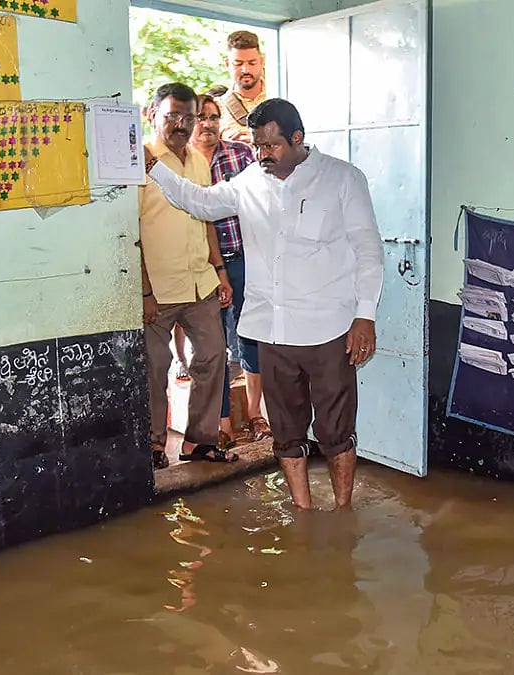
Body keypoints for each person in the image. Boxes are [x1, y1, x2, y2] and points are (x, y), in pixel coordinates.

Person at [146, 98, 383, 510]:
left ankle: (343, 510)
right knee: (287, 431)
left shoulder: (342, 179)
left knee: (335, 429)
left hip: (329, 328)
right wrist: (154, 169)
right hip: (272, 331)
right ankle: (304, 512)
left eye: (271, 146)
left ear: (297, 139)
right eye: (257, 145)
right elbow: (200, 202)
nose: (262, 155)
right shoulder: (250, 180)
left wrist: (365, 317)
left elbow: (368, 250)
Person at [138, 82, 238, 469]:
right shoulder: (141, 161)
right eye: (172, 116)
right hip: (158, 288)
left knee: (213, 357)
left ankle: (199, 441)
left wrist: (220, 270)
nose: (181, 124)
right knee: (155, 366)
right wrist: (144, 291)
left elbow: (207, 216)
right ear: (152, 114)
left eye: (188, 117)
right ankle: (153, 444)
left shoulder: (198, 160)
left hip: (201, 282)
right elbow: (129, 229)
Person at [190, 93, 272, 449]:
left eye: (212, 117)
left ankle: (256, 415)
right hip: (206, 268)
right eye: (200, 117)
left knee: (252, 339)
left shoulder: (240, 155)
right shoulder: (186, 165)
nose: (207, 124)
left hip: (246, 261)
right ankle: (222, 424)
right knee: (216, 346)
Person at [216, 30, 267, 144]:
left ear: (261, 61)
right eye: (238, 64)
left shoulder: (282, 94)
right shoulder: (216, 108)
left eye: (252, 63)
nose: (246, 70)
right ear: (227, 64)